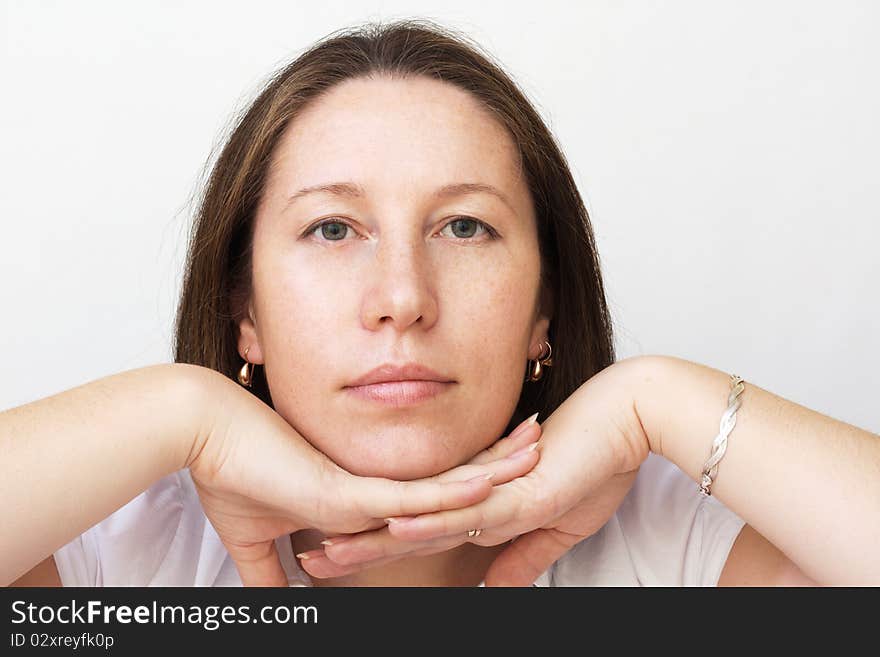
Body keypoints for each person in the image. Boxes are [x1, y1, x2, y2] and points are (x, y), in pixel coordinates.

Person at [3, 19, 878, 588]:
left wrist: (661, 397)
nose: (401, 300)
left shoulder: (676, 551)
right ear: (247, 312)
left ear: (546, 308)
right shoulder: (114, 562)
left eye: (464, 227)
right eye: (333, 230)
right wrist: (179, 407)